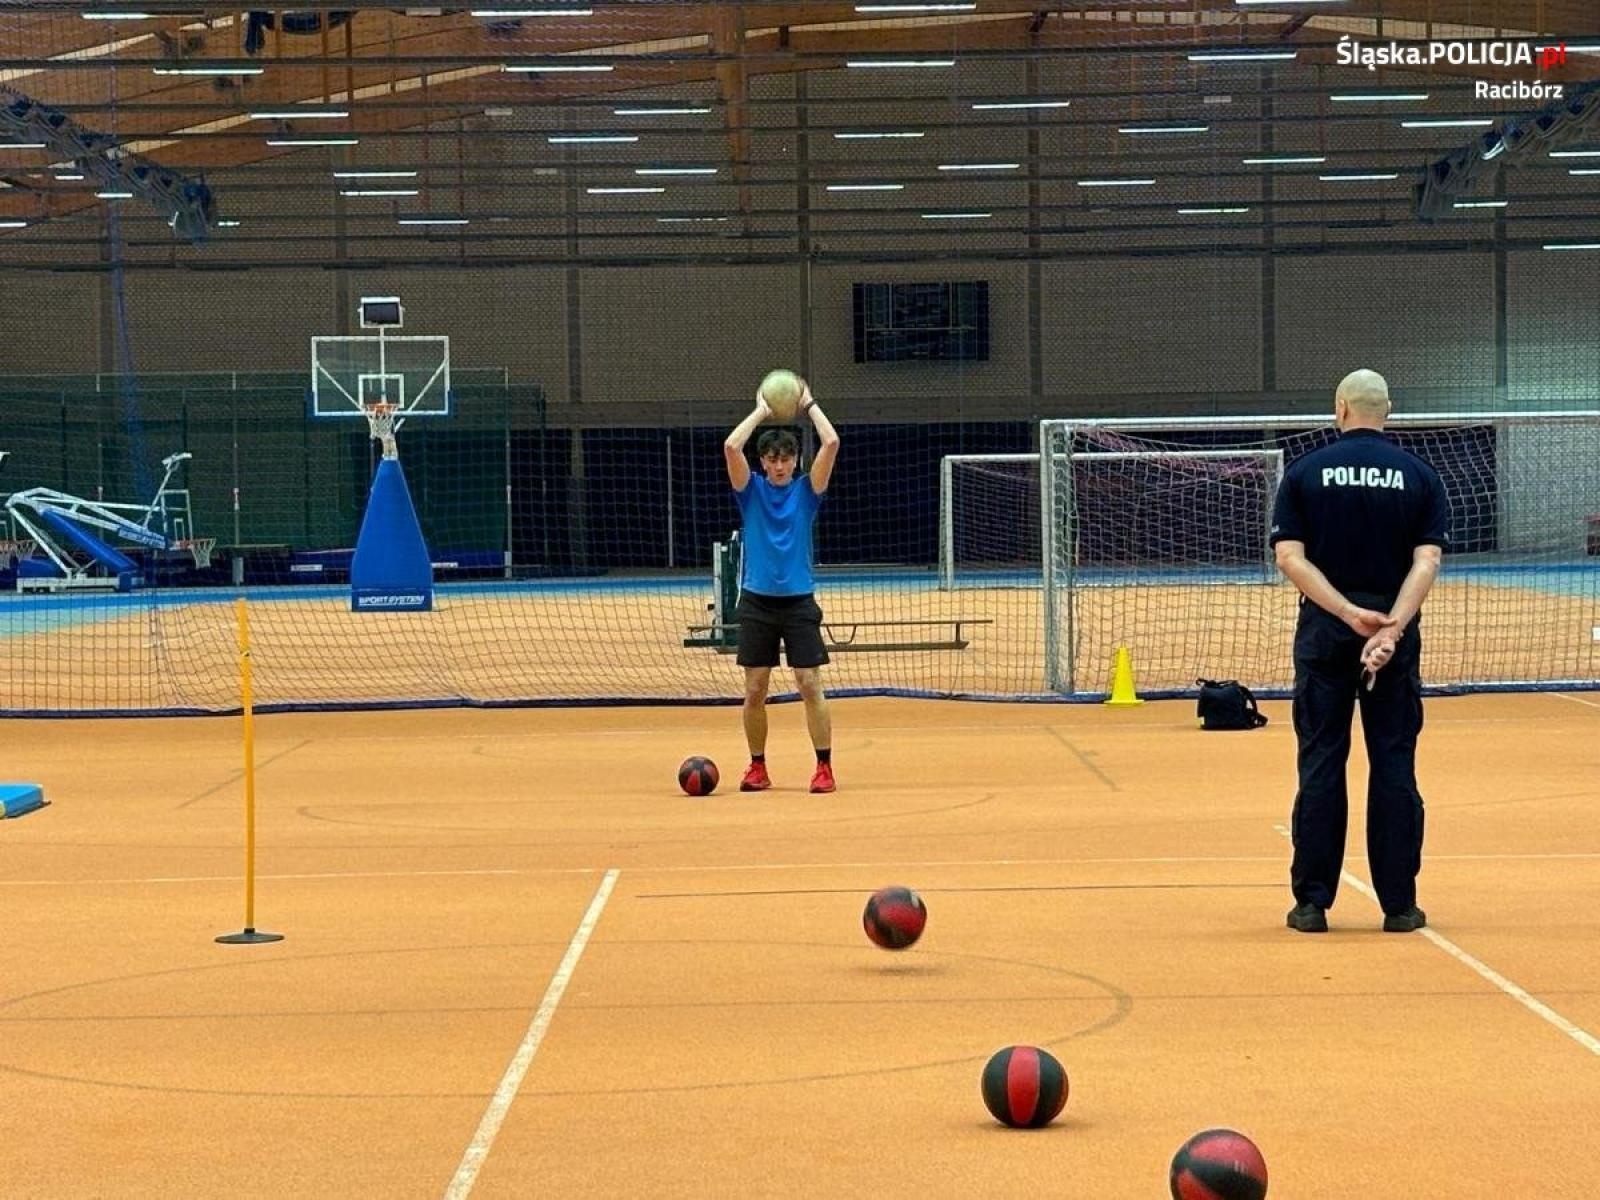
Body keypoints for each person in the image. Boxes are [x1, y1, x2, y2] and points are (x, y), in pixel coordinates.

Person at [1269, 368, 1448, 934]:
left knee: (1322, 759)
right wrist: (1390, 627)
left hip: (1326, 631)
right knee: (1394, 761)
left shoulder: (1304, 473)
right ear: (1387, 409)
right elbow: (1428, 561)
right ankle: (1399, 904)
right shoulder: (1420, 475)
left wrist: (1347, 614)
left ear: (1340, 407)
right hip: (1394, 634)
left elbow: (1289, 559)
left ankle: (1312, 903)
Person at [722, 380, 841, 793]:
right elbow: (731, 448)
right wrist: (760, 412)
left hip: (798, 601)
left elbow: (832, 442)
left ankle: (823, 767)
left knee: (809, 683)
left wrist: (808, 404)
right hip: (757, 601)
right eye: (772, 458)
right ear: (764, 462)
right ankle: (758, 767)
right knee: (755, 688)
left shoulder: (808, 491)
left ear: (795, 461)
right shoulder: (750, 491)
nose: (778, 465)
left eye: (786, 458)